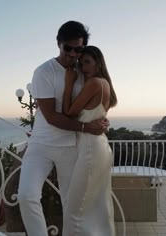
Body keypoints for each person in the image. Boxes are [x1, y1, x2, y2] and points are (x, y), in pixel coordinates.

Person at [17, 21, 108, 236]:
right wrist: (88, 127)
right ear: (59, 44)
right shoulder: (44, 71)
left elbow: (96, 98)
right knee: (26, 195)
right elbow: (51, 117)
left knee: (72, 205)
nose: (73, 54)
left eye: (78, 49)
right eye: (68, 48)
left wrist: (100, 119)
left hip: (71, 146)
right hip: (41, 144)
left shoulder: (84, 70)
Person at [62, 46, 117, 236]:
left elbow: (68, 112)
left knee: (73, 209)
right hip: (100, 146)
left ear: (98, 63)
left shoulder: (93, 83)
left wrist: (69, 84)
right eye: (81, 62)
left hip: (91, 151)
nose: (82, 67)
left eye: (87, 62)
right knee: (99, 205)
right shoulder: (105, 84)